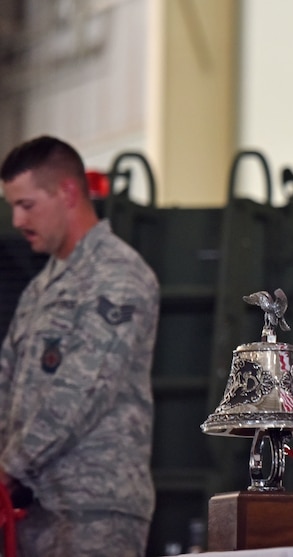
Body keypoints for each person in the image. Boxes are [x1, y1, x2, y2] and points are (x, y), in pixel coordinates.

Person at [0, 136, 159, 556]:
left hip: (94, 513)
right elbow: (7, 384)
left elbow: (85, 389)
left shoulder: (118, 276)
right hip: (33, 509)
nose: (17, 219)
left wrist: (8, 467)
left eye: (27, 204)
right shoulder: (42, 287)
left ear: (68, 192)